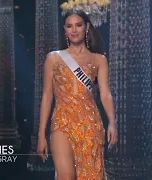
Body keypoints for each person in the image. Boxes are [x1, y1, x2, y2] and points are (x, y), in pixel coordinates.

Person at [36, 9, 117, 180]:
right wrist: (41, 134)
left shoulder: (99, 59)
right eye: (69, 26)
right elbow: (47, 96)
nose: (74, 30)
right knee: (66, 176)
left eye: (78, 25)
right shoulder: (54, 58)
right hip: (62, 121)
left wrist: (112, 122)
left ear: (86, 27)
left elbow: (105, 94)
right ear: (64, 29)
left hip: (89, 122)